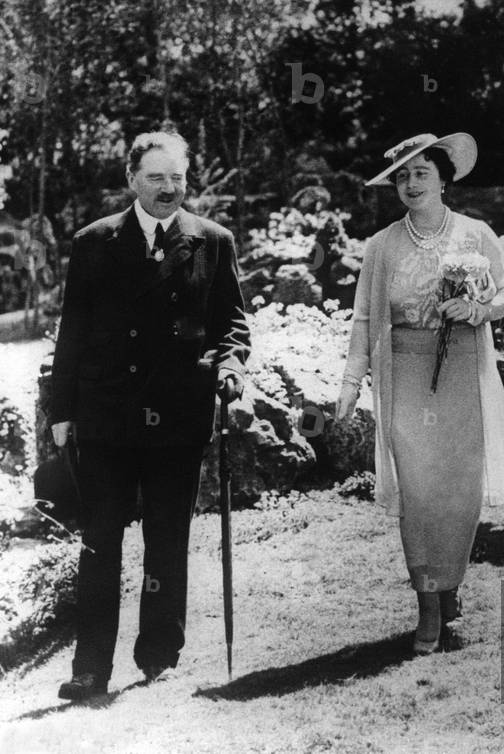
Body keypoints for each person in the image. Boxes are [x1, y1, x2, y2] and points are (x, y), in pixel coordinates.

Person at [49, 131, 250, 699]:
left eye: (177, 177)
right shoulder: (95, 242)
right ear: (132, 179)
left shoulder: (213, 241)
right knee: (100, 542)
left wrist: (231, 364)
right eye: (156, 177)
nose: (168, 188)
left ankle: (160, 654)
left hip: (177, 415)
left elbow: (232, 323)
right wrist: (62, 409)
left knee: (167, 539)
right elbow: (73, 330)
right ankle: (90, 668)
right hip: (107, 417)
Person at [335, 132, 504, 654]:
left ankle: (450, 589)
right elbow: (363, 318)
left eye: (422, 172)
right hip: (404, 373)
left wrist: (479, 309)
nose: (411, 182)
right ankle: (428, 604)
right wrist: (351, 383)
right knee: (418, 492)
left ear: (444, 178)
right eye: (402, 175)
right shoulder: (381, 246)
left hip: (462, 369)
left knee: (458, 490)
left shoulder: (475, 234)